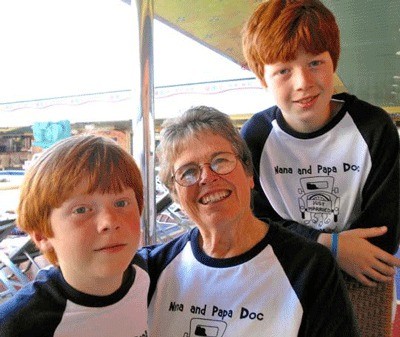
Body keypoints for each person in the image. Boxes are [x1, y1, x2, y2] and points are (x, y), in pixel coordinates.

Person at [139, 106, 360, 336]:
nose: (207, 177)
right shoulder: (150, 270)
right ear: (176, 196)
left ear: (249, 174)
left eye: (220, 161)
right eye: (188, 172)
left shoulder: (309, 268)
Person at [241, 0, 400, 287]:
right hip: (281, 283)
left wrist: (293, 241)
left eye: (315, 62)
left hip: (359, 286)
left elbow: (381, 242)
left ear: (333, 62)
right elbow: (251, 226)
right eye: (283, 71)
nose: (303, 82)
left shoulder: (374, 129)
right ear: (261, 77)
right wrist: (330, 244)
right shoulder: (256, 136)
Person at [0, 135, 149, 337]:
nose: (109, 222)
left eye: (121, 203)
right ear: (42, 235)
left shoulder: (151, 273)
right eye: (81, 210)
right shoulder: (18, 325)